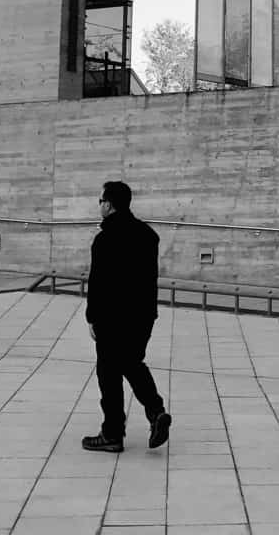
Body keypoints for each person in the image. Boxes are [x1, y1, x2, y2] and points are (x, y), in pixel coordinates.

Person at [81, 180, 172, 452]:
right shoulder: (148, 235)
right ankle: (156, 412)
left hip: (112, 317)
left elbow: (98, 283)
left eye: (100, 201)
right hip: (142, 316)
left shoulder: (105, 239)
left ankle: (112, 434)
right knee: (132, 363)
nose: (99, 206)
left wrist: (92, 317)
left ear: (108, 205)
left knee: (109, 373)